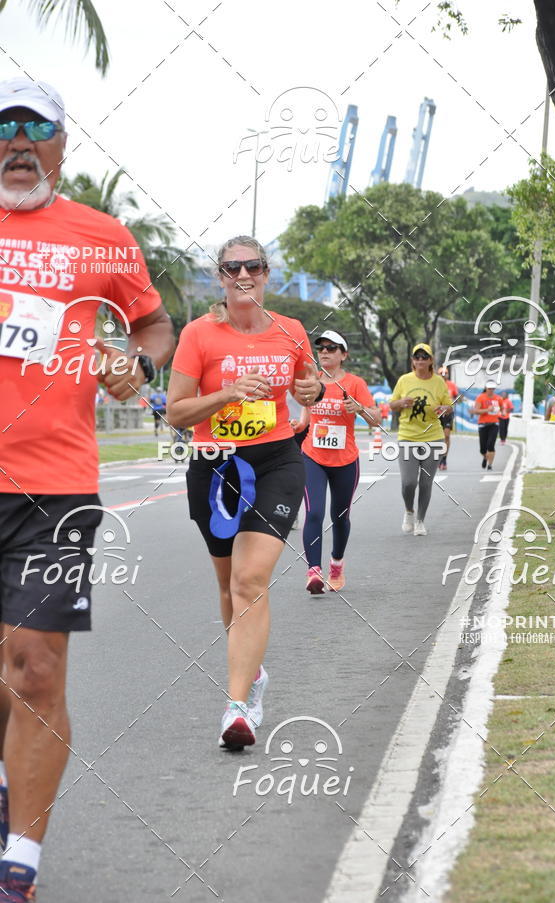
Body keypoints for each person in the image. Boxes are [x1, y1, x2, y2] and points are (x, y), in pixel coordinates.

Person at [0, 78, 174, 900]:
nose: (18, 141)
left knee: (35, 666)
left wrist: (133, 364)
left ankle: (19, 864)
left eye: (37, 126)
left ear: (64, 142)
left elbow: (151, 322)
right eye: (4, 127)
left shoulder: (101, 237)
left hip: (54, 487)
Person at [166, 236, 323, 751]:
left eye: (252, 266)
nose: (243, 275)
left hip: (276, 460)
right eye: (232, 268)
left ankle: (238, 709)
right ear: (220, 276)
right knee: (228, 586)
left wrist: (311, 392)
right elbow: (177, 412)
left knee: (251, 579)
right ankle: (253, 675)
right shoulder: (199, 335)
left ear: (266, 272)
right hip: (215, 465)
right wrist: (230, 392)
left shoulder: (291, 331)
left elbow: (312, 384)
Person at [294, 330, 380, 594]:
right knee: (315, 512)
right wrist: (295, 426)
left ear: (344, 355)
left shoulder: (355, 383)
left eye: (332, 348)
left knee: (340, 517)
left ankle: (337, 565)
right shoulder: (312, 381)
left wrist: (360, 409)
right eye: (321, 348)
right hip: (313, 456)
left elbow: (375, 419)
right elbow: (305, 418)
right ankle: (314, 572)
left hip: (345, 460)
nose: (325, 353)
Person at [389, 343, 452, 536]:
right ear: (412, 361)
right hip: (408, 437)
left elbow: (448, 406)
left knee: (426, 482)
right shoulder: (404, 380)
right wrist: (401, 402)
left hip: (433, 438)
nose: (421, 360)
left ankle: (420, 521)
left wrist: (442, 409)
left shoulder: (439, 382)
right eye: (417, 357)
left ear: (431, 360)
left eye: (425, 357)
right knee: (409, 482)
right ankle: (409, 511)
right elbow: (392, 405)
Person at [473, 381, 502, 470]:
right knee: (483, 448)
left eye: (493, 389)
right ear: (486, 388)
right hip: (483, 424)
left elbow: (502, 409)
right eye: (489, 389)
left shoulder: (498, 398)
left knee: (490, 445)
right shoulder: (480, 397)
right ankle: (485, 457)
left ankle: (490, 465)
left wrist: (501, 412)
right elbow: (476, 411)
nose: (491, 390)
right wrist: (487, 410)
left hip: (494, 424)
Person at [437, 366, 459, 470]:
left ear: (448, 374)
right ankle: (437, 457)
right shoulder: (434, 385)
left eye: (445, 373)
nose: (443, 375)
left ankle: (444, 459)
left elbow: (456, 398)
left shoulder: (452, 385)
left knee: (446, 436)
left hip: (448, 414)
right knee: (436, 438)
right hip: (436, 414)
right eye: (441, 374)